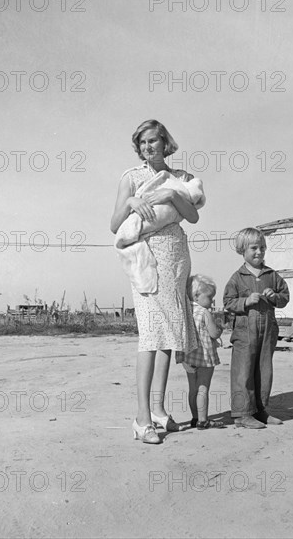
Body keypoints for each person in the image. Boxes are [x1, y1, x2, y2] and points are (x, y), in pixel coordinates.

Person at [110, 119, 202, 444]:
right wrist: (132, 202)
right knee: (149, 333)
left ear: (165, 142)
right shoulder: (131, 177)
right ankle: (141, 418)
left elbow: (193, 216)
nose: (149, 148)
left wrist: (170, 194)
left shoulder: (182, 179)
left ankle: (160, 410)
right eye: (143, 143)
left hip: (176, 256)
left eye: (153, 141)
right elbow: (114, 224)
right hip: (146, 260)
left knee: (169, 331)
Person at [223, 228, 289, 429]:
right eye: (254, 248)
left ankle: (260, 410)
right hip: (245, 333)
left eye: (262, 247)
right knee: (243, 372)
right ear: (242, 250)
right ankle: (242, 415)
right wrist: (245, 301)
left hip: (267, 331)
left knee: (263, 371)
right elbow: (227, 301)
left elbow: (284, 297)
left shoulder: (272, 275)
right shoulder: (237, 277)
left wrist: (274, 297)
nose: (259, 252)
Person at [177, 275, 226, 430]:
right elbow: (213, 334)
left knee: (193, 389)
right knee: (203, 388)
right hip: (204, 357)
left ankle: (195, 417)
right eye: (210, 297)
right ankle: (203, 420)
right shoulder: (204, 312)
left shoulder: (184, 311)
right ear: (197, 296)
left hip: (187, 357)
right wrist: (220, 327)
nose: (212, 301)